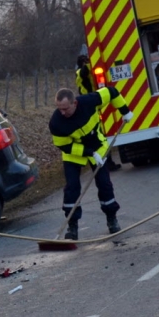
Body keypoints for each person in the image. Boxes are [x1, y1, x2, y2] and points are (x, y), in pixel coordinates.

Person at [50, 86, 133, 239]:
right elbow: (65, 146)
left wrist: (125, 111)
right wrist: (89, 153)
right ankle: (72, 226)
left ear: (74, 103)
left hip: (98, 147)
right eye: (59, 108)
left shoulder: (89, 101)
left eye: (65, 109)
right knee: (72, 188)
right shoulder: (56, 123)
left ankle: (111, 218)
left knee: (104, 184)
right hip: (75, 153)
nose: (62, 112)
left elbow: (112, 92)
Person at [74, 52, 122, 171]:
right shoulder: (80, 73)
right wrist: (94, 59)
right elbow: (87, 69)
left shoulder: (83, 73)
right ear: (83, 63)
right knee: (100, 136)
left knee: (100, 135)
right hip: (90, 107)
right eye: (86, 61)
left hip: (93, 105)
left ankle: (106, 162)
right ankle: (106, 162)